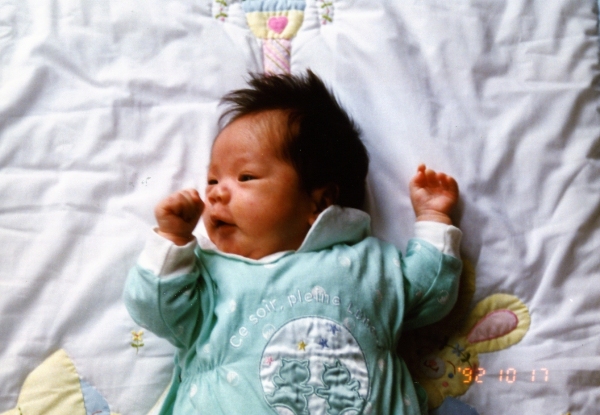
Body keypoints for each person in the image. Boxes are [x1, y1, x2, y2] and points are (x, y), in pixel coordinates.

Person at [123, 71, 462, 415]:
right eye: (212, 179)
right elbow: (156, 310)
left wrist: (434, 218)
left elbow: (430, 293)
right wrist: (173, 240)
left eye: (245, 177)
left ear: (319, 202)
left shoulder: (368, 264)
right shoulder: (207, 275)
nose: (215, 193)